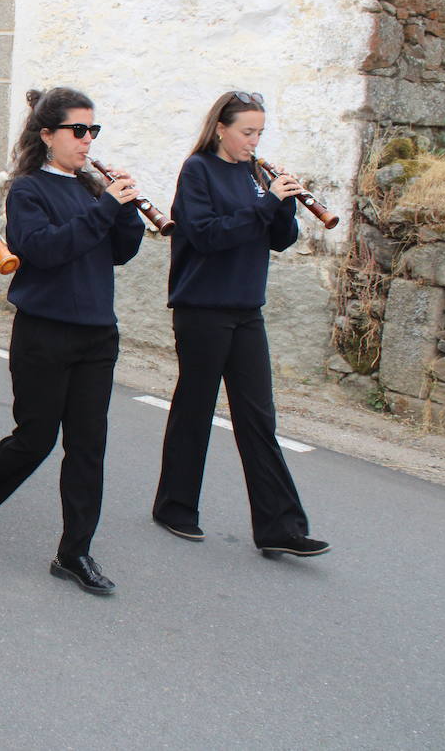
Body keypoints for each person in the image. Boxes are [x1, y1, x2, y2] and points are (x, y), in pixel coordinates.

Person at [0, 87, 144, 596]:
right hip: (45, 330)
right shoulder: (28, 190)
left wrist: (126, 209)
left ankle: (75, 551)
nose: (87, 141)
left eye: (93, 131)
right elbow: (44, 250)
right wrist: (105, 209)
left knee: (89, 445)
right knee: (36, 437)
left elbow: (121, 252)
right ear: (47, 135)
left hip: (96, 333)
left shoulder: (92, 189)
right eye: (77, 131)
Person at [151, 92, 330, 557]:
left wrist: (286, 202)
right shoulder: (198, 171)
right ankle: (175, 507)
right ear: (220, 129)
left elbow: (280, 240)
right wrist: (266, 203)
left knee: (258, 417)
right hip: (203, 306)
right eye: (247, 132)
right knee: (196, 407)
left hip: (247, 308)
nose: (254, 141)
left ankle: (280, 527)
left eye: (259, 133)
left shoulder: (255, 175)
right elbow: (210, 236)